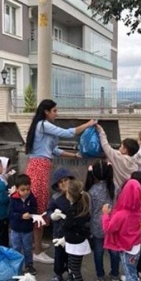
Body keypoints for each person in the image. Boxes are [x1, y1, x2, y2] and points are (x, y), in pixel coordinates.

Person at [25, 99, 96, 264]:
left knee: (40, 206)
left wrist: (74, 155)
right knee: (40, 209)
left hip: (41, 168)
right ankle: (37, 251)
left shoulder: (43, 127)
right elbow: (69, 133)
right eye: (54, 111)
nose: (57, 114)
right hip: (39, 169)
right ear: (46, 112)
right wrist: (89, 124)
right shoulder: (43, 124)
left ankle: (37, 242)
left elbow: (54, 150)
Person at [102, 179, 141, 281]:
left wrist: (105, 215)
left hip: (126, 249)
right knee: (130, 273)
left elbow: (108, 228)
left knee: (131, 276)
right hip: (136, 246)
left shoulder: (122, 214)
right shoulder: (139, 211)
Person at [56, 180, 91, 281]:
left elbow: (68, 225)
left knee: (75, 270)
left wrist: (62, 217)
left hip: (76, 244)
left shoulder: (74, 210)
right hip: (74, 242)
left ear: (69, 195)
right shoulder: (81, 207)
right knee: (71, 267)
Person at [85, 160, 119, 281]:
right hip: (112, 223)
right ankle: (115, 274)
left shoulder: (91, 191)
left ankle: (100, 275)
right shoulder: (115, 188)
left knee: (98, 251)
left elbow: (89, 210)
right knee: (114, 250)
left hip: (96, 225)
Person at [46, 168, 74, 281]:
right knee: (58, 255)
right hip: (58, 232)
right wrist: (52, 215)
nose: (63, 183)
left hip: (72, 232)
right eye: (60, 182)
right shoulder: (55, 197)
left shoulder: (76, 195)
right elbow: (48, 210)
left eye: (66, 180)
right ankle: (58, 274)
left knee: (71, 256)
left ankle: (70, 275)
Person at [8, 174, 38, 275]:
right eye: (23, 189)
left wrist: (30, 214)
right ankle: (16, 265)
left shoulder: (32, 198)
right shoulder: (13, 199)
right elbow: (10, 214)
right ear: (16, 189)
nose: (25, 192)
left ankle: (29, 265)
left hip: (27, 229)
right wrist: (21, 216)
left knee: (28, 248)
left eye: (28, 189)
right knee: (16, 247)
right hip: (15, 229)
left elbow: (35, 209)